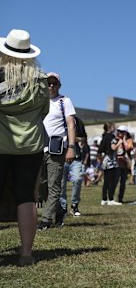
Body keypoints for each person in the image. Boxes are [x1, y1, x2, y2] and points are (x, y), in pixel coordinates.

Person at [0, 29, 48, 266]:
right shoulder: (40, 80)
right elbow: (44, 112)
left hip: (1, 144)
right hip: (31, 146)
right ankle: (26, 254)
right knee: (26, 198)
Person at [38, 72, 77, 230]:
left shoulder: (64, 101)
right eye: (49, 83)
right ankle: (59, 210)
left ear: (59, 85)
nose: (51, 86)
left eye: (54, 83)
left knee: (54, 185)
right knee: (41, 184)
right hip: (39, 147)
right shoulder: (39, 101)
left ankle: (46, 220)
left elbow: (71, 124)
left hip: (56, 149)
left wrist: (71, 148)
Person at [98, 123, 121, 206]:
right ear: (110, 128)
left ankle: (104, 199)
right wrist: (119, 142)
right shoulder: (111, 137)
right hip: (111, 161)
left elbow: (100, 149)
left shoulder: (104, 137)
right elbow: (113, 148)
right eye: (113, 127)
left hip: (105, 160)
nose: (115, 129)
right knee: (112, 181)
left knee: (106, 181)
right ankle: (111, 199)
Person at [111, 125, 131, 203]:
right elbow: (113, 148)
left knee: (123, 182)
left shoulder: (128, 140)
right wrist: (119, 142)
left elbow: (128, 148)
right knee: (115, 181)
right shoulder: (115, 140)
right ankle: (111, 197)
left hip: (124, 164)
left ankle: (120, 199)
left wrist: (124, 140)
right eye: (119, 131)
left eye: (122, 132)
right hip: (116, 164)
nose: (119, 133)